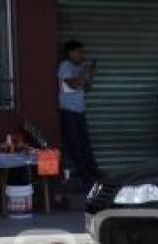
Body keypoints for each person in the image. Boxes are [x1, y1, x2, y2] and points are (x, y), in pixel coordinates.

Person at [58, 40, 98, 192]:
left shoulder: (80, 67)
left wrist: (91, 75)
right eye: (80, 52)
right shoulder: (65, 66)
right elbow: (73, 85)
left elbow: (86, 88)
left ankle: (92, 171)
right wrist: (85, 73)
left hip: (80, 111)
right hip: (68, 112)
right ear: (71, 53)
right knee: (75, 145)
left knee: (85, 143)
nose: (82, 55)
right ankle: (84, 175)